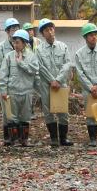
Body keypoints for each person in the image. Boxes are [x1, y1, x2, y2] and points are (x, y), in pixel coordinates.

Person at [35, 19, 74, 147]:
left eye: (51, 29)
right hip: (46, 84)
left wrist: (58, 80)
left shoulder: (63, 47)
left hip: (60, 83)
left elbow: (67, 64)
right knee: (48, 111)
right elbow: (40, 67)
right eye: (46, 30)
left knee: (63, 111)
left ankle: (63, 138)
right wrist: (51, 80)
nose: (50, 32)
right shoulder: (39, 50)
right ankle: (54, 138)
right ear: (42, 34)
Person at [0, 29, 39, 147]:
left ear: (25, 43)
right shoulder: (9, 57)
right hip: (12, 91)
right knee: (12, 118)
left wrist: (21, 63)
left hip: (26, 92)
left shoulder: (32, 57)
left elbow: (34, 70)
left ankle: (24, 140)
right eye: (14, 42)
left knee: (25, 117)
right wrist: (3, 90)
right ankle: (13, 140)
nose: (15, 45)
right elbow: (3, 75)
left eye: (18, 42)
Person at [0, 18, 21, 145]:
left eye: (17, 28)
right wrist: (3, 86)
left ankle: (18, 137)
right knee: (7, 112)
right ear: (7, 31)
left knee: (19, 111)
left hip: (19, 85)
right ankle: (7, 137)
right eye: (12, 29)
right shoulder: (1, 47)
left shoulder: (22, 45)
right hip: (6, 84)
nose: (15, 31)